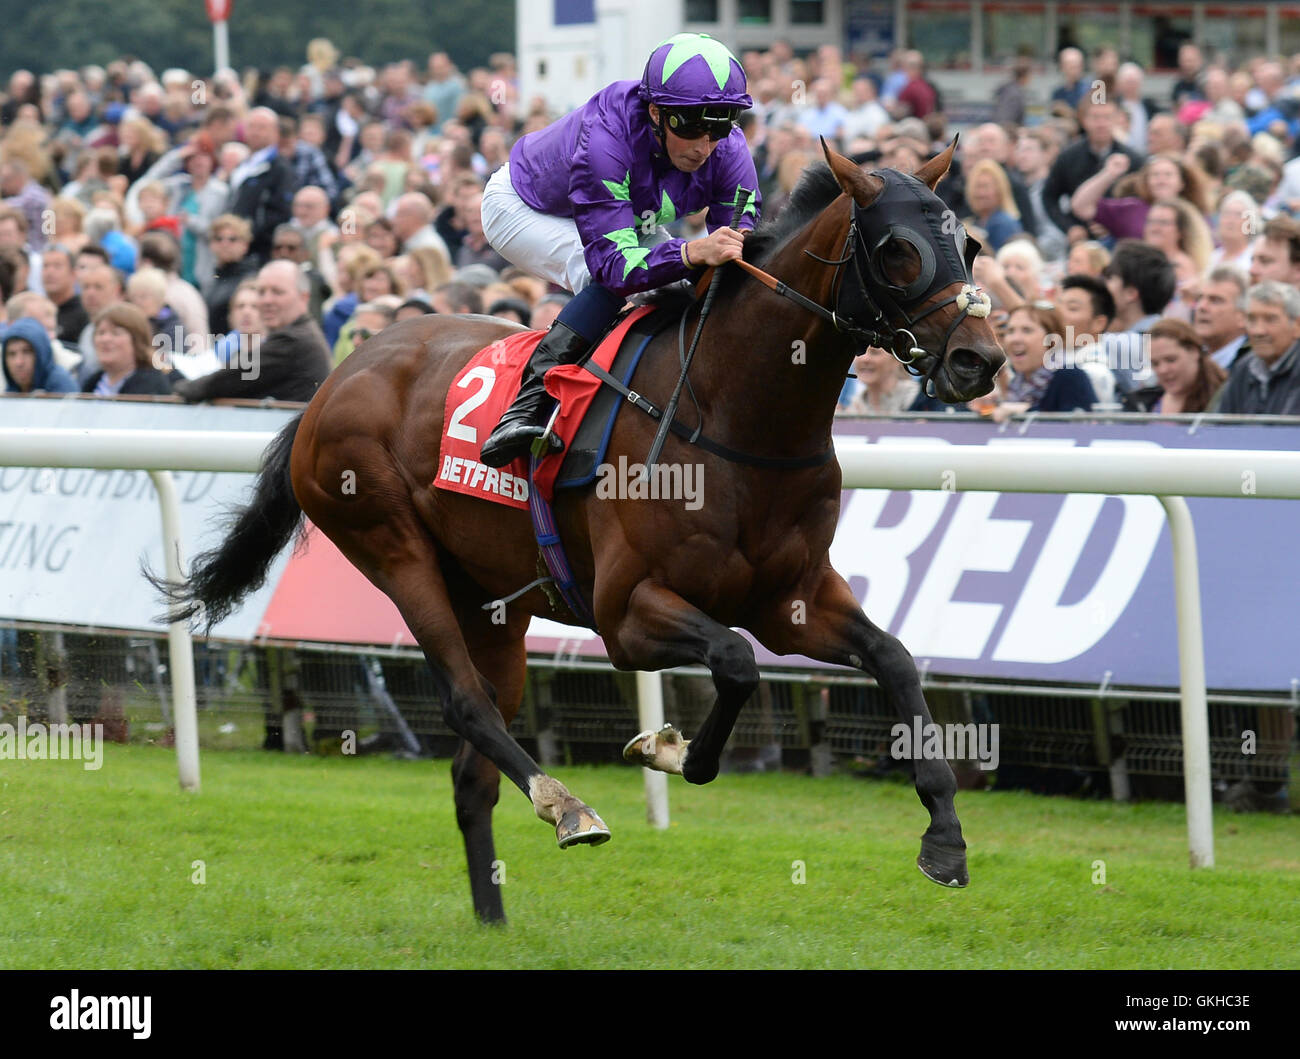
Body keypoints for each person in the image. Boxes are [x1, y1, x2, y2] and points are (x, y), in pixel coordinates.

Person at [477, 32, 760, 467]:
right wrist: (688, 253)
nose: (705, 146)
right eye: (690, 126)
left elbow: (734, 240)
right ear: (655, 113)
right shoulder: (606, 141)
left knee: (685, 281)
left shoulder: (728, 149)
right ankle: (526, 405)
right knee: (603, 280)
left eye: (719, 126)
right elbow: (613, 267)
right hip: (523, 207)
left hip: (626, 217)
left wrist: (710, 257)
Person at [172, 260, 332, 403]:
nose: (267, 300)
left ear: (304, 297)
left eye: (277, 292)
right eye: (261, 292)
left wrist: (180, 391)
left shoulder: (294, 339)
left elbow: (229, 380)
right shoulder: (303, 333)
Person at [993, 303, 1096, 420]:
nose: (1015, 339)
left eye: (1027, 330)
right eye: (1010, 331)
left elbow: (1077, 429)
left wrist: (1025, 412)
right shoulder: (1017, 383)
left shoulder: (1070, 376)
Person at [1213, 280, 1300, 415]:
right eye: (1251, 319)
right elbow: (1220, 428)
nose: (1258, 331)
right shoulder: (1243, 367)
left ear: (1297, 326)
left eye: (1270, 319)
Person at [1122, 317, 1225, 413]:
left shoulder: (1224, 401)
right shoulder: (1140, 403)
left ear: (1194, 352)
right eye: (1155, 363)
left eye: (1171, 360)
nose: (1163, 370)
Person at [81, 302, 173, 396]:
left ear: (137, 341)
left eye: (116, 333)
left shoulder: (151, 384)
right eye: (101, 333)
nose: (105, 339)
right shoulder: (92, 383)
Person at [1192, 267, 1250, 370]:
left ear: (1243, 316)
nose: (1201, 307)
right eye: (1199, 298)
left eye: (1215, 300)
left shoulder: (1254, 366)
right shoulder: (1188, 359)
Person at [2, 316, 78, 394]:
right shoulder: (12, 390)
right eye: (11, 354)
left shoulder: (61, 386)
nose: (19, 362)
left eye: (27, 352)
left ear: (42, 353)